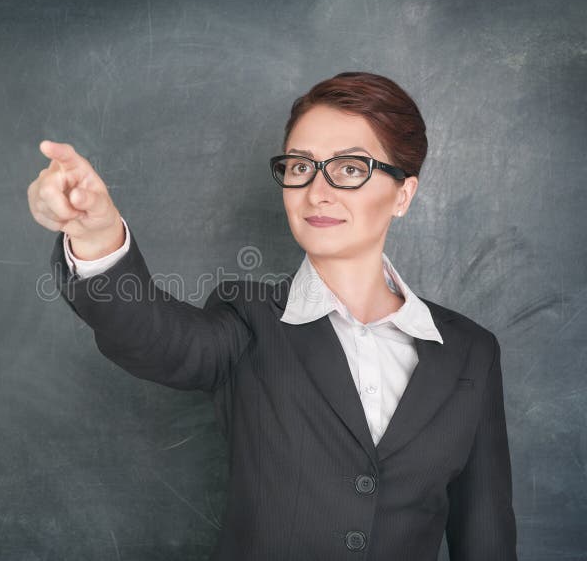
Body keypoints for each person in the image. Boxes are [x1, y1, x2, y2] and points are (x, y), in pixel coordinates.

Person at [27, 71, 518, 560]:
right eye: (301, 166)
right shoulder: (248, 320)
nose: (317, 192)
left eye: (350, 168)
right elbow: (154, 336)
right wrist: (97, 236)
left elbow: (487, 539)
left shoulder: (471, 353)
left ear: (403, 195)